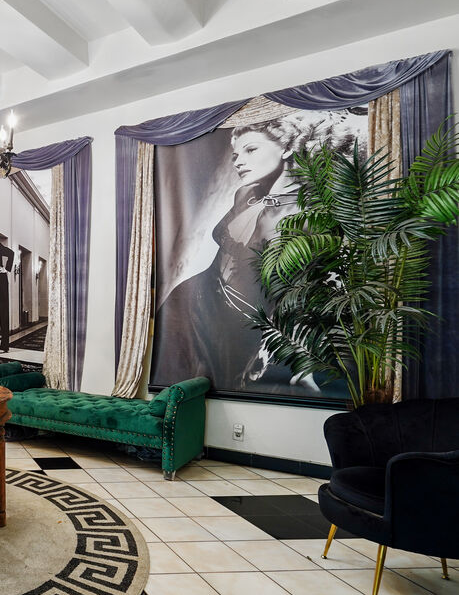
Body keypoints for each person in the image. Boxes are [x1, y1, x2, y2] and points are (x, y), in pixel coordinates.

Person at [153, 112, 362, 393]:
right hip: (190, 299)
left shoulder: (312, 215)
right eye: (235, 153)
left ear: (288, 147)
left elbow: (311, 291)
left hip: (241, 321)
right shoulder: (246, 193)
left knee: (220, 391)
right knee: (169, 391)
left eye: (251, 149)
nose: (238, 160)